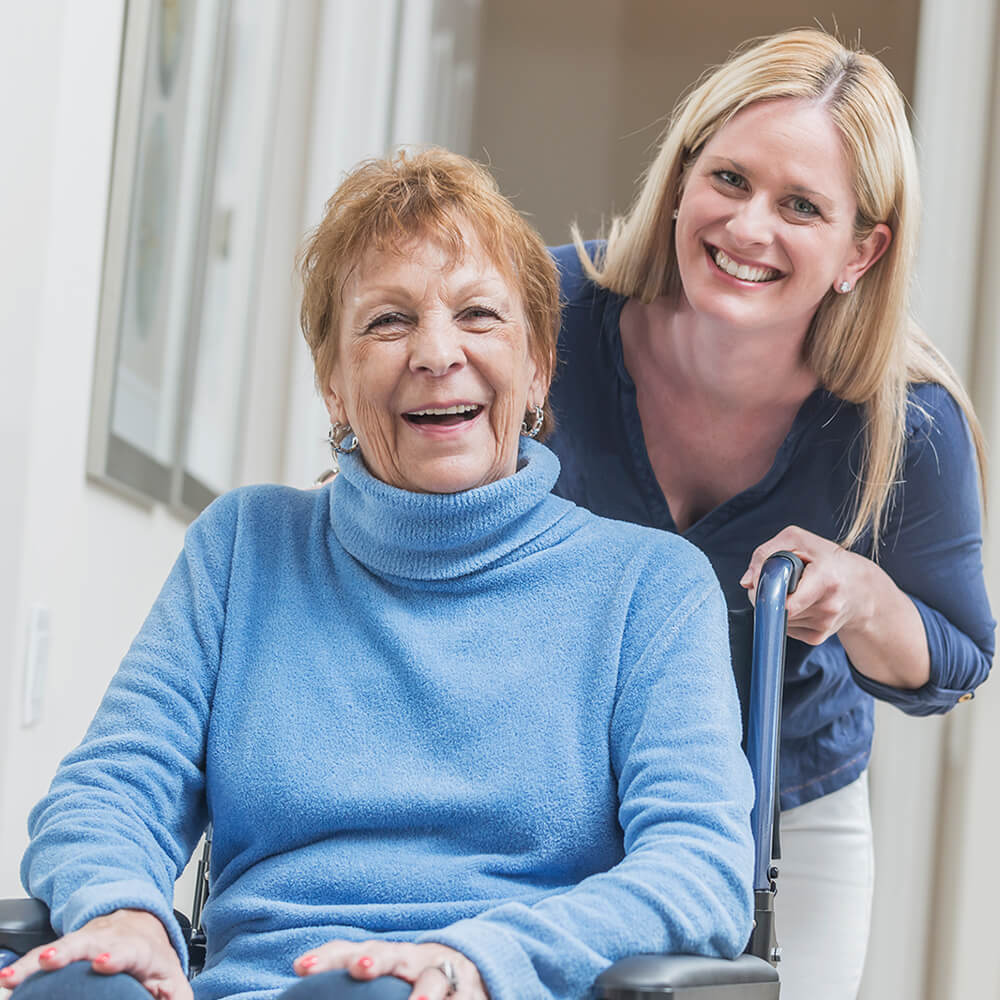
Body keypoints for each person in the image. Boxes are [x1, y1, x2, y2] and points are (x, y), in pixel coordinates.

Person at [0, 149, 755, 1000]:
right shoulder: (245, 547)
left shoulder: (649, 587)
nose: (437, 353)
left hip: (482, 987)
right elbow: (108, 793)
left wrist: (481, 959)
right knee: (76, 982)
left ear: (539, 365)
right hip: (253, 987)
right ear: (332, 381)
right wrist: (124, 914)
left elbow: (699, 871)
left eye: (477, 315)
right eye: (388, 322)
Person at [546, 28, 994, 1000]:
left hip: (779, 824)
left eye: (799, 206)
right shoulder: (544, 316)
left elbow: (957, 656)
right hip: (541, 789)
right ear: (678, 180)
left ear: (859, 249)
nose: (748, 228)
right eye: (729, 179)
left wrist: (862, 598)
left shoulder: (904, 424)